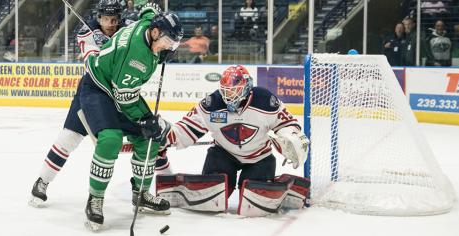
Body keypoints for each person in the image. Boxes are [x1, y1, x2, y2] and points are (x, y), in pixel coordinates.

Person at [79, 3, 183, 230]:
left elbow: (148, 13)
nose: (170, 48)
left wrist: (148, 7)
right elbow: (124, 98)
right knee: (110, 139)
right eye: (168, 42)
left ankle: (141, 194)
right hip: (98, 89)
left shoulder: (150, 25)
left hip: (119, 87)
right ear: (155, 33)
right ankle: (95, 198)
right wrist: (146, 119)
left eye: (173, 44)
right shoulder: (136, 56)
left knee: (149, 138)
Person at [154, 65, 311, 217]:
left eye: (234, 91)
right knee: (210, 194)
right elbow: (187, 128)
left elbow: (288, 123)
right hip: (223, 154)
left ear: (246, 87)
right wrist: (166, 137)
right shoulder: (212, 104)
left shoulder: (265, 101)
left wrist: (289, 136)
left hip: (259, 157)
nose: (229, 96)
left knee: (256, 201)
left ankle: (280, 184)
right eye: (226, 91)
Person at [28, 0, 124, 207]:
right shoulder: (86, 32)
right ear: (99, 17)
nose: (110, 23)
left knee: (130, 139)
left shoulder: (125, 33)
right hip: (91, 91)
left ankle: (140, 190)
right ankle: (42, 181)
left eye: (114, 19)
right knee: (68, 138)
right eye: (106, 18)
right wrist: (107, 47)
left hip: (118, 94)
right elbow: (93, 64)